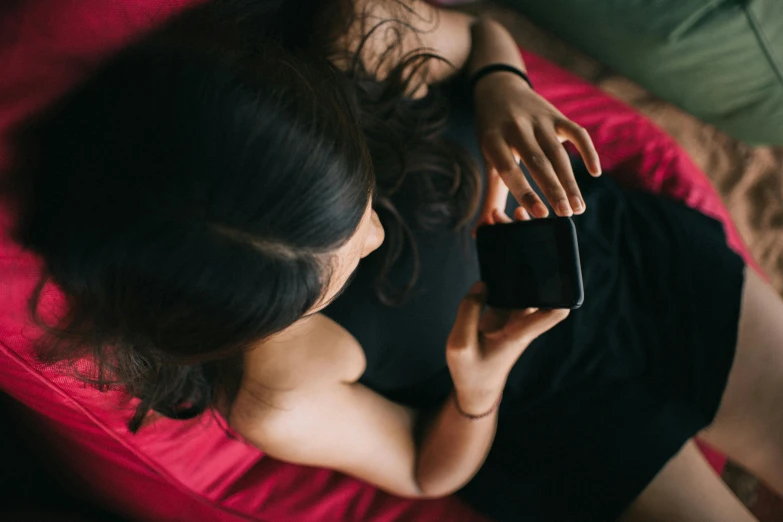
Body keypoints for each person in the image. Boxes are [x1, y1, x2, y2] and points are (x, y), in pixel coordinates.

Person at [3, 0, 782, 520]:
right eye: (328, 280)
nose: (374, 237)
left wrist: (500, 87)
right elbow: (422, 473)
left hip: (630, 263)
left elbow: (477, 35)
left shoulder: (354, 39)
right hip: (553, 424)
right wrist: (478, 388)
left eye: (360, 208)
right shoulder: (282, 390)